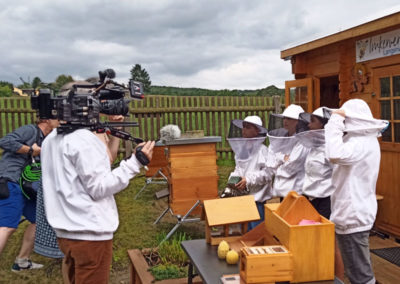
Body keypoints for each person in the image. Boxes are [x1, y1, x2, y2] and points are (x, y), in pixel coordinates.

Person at [41, 119, 155, 284]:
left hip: (66, 231)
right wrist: (135, 163)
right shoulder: (83, 139)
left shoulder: (52, 138)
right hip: (90, 234)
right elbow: (99, 187)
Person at [325, 99, 388, 284]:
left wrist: (334, 122)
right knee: (357, 271)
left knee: (360, 276)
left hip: (353, 215)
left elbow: (334, 154)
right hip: (353, 212)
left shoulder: (360, 142)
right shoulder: (360, 140)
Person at [0, 118, 59, 271]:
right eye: (57, 117)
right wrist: (31, 150)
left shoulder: (47, 139)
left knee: (37, 221)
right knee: (7, 226)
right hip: (11, 181)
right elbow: (6, 141)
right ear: (46, 119)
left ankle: (22, 261)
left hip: (28, 188)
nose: (61, 120)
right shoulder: (30, 130)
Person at [297, 107, 345, 282]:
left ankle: (339, 280)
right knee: (313, 242)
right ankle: (319, 276)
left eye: (313, 121)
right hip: (311, 201)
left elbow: (339, 177)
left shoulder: (330, 149)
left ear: (324, 125)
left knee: (331, 244)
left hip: (326, 201)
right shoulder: (313, 147)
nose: (309, 125)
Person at [223, 116, 272, 230]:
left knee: (256, 234)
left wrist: (249, 180)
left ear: (257, 131)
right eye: (243, 127)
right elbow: (238, 169)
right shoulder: (241, 150)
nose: (244, 130)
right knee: (243, 232)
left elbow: (268, 174)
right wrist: (233, 181)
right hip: (242, 200)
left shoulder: (263, 151)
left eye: (248, 127)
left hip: (257, 201)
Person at [267, 104, 309, 199]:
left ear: (298, 122)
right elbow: (269, 164)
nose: (285, 121)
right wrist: (283, 157)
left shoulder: (303, 141)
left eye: (289, 118)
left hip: (298, 193)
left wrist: (278, 161)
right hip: (283, 192)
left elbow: (291, 167)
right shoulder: (280, 138)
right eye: (284, 118)